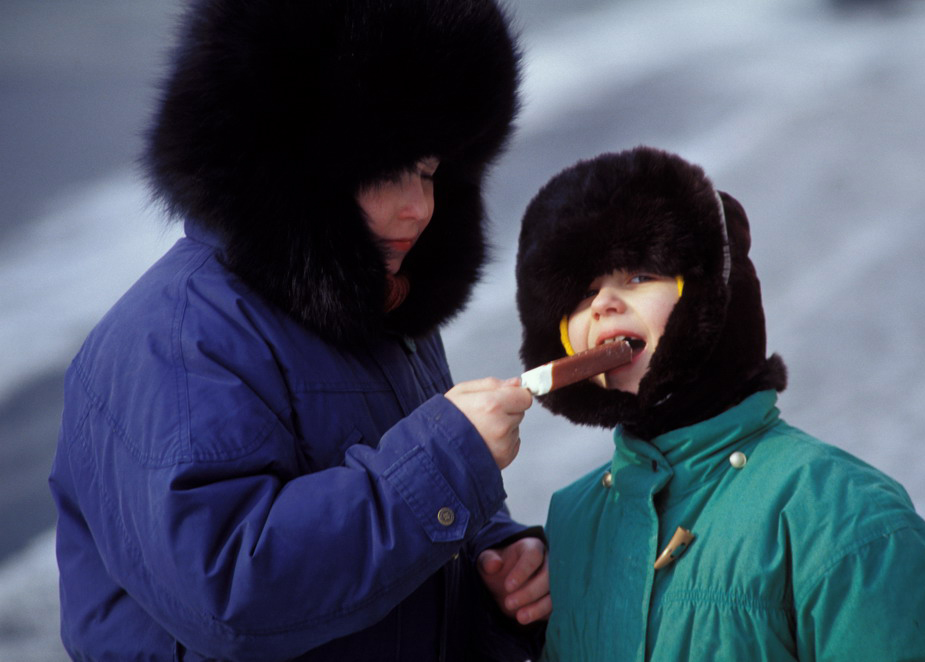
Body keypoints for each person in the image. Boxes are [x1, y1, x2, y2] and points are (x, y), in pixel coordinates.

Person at [49, 1, 551, 660]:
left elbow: (400, 527)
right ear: (293, 163)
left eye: (429, 171)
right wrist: (447, 466)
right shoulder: (176, 340)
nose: (418, 207)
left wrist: (495, 561)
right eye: (386, 170)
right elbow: (231, 590)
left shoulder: (383, 309)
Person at [514, 146, 925, 660]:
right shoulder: (573, 523)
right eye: (583, 293)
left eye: (638, 276)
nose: (604, 304)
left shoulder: (841, 513)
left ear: (710, 295)